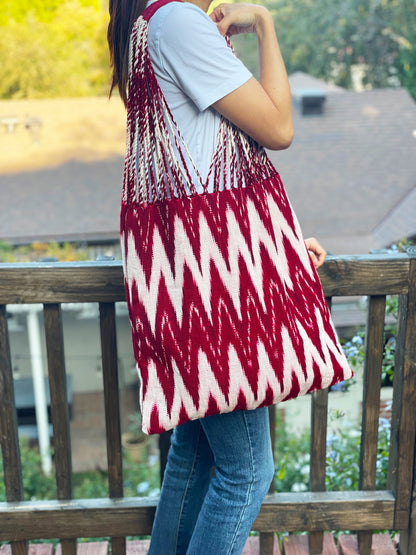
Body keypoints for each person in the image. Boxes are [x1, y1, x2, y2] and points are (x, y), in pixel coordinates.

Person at [108, 0, 330, 553]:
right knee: (247, 472)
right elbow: (277, 128)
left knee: (196, 451)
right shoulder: (178, 22)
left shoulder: (145, 26)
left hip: (192, 279)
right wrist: (265, 25)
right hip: (216, 289)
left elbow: (204, 157)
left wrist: (275, 243)